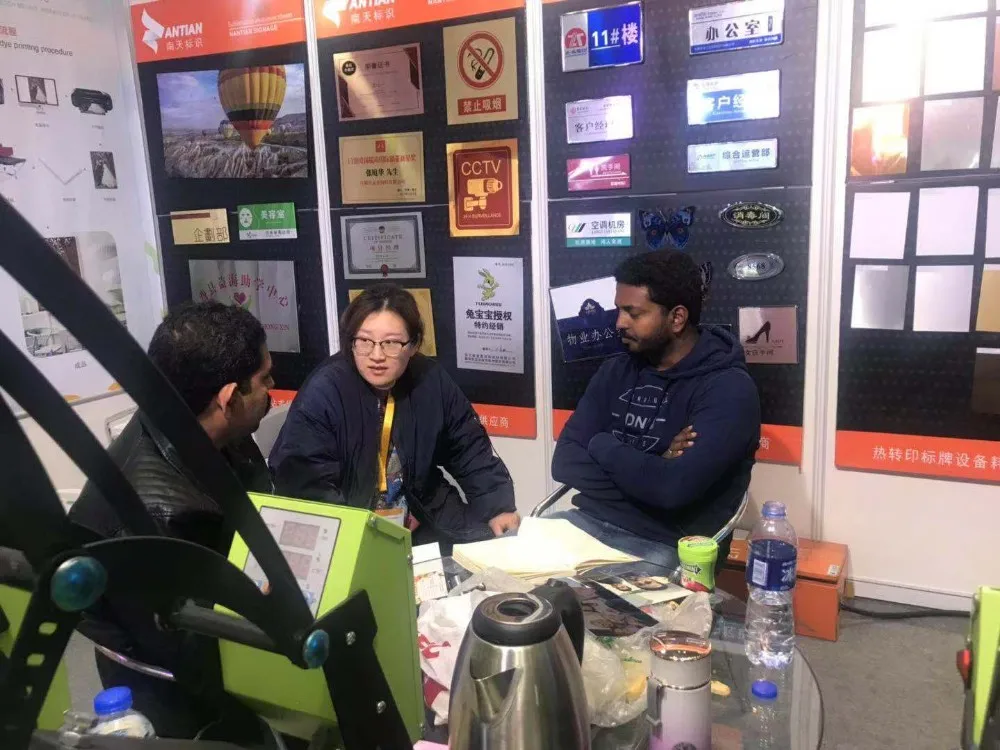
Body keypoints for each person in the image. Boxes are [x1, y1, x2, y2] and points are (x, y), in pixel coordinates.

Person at [69, 301, 275, 741]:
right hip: (183, 705)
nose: (272, 389)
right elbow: (197, 655)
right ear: (228, 398)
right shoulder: (158, 516)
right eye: (264, 379)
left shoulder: (198, 424)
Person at [551, 250, 760, 570]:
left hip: (665, 545)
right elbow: (565, 463)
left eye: (633, 313)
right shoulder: (615, 370)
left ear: (677, 318)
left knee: (574, 600)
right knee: (492, 577)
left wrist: (601, 444)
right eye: (619, 310)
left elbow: (671, 491)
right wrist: (654, 465)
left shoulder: (728, 389)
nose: (619, 323)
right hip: (585, 523)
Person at [269, 283, 519, 547]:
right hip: (353, 528)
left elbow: (468, 447)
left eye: (391, 343)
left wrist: (497, 507)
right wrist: (366, 536)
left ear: (413, 345)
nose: (376, 355)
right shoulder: (325, 391)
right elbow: (309, 489)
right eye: (364, 341)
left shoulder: (430, 380)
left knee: (487, 553)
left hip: (421, 513)